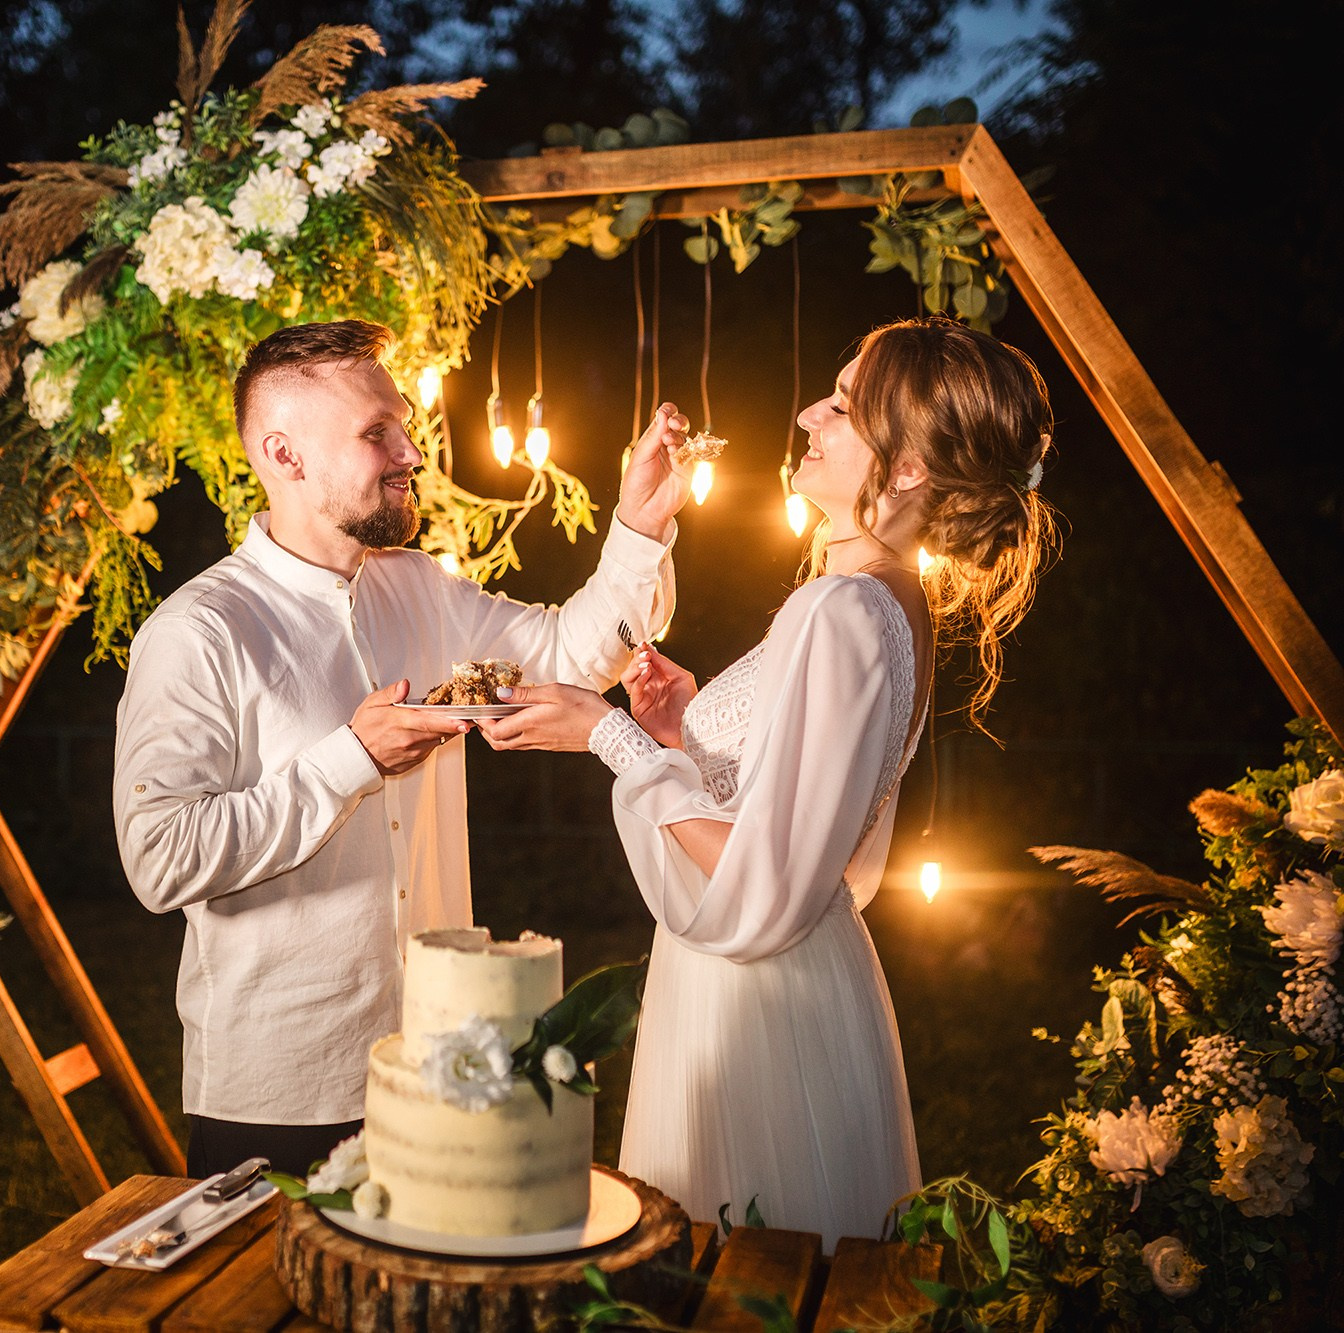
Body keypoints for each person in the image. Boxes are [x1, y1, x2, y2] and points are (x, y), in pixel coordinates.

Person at [478, 316, 1059, 1246]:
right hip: (794, 983)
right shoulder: (893, 597)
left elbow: (763, 881)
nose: (806, 415)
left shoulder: (843, 606)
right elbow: (792, 819)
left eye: (840, 406)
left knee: (744, 1270)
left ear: (907, 469)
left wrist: (611, 735)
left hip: (758, 1003)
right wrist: (685, 732)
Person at [113, 318, 699, 1178]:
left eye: (406, 427)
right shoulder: (199, 631)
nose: (412, 453)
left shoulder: (416, 587)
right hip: (280, 1089)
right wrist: (353, 757)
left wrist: (640, 526)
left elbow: (574, 655)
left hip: (438, 1059)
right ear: (284, 456)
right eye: (376, 433)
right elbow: (159, 858)